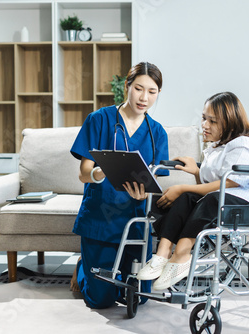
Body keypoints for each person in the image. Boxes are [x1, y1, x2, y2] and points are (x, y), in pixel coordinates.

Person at [136, 91, 249, 290]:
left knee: (202, 197)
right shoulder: (215, 148)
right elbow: (211, 183)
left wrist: (184, 186)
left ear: (230, 123)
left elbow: (232, 181)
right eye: (204, 118)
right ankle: (162, 254)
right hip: (223, 197)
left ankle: (181, 254)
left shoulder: (243, 143)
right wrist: (197, 171)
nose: (205, 125)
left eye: (213, 121)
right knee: (185, 197)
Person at [70, 62, 169, 308]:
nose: (144, 97)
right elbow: (84, 174)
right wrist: (102, 171)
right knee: (101, 299)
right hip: (101, 219)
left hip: (136, 222)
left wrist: (143, 196)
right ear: (127, 86)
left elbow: (155, 184)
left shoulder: (157, 133)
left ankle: (104, 271)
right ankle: (83, 268)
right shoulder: (99, 120)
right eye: (138, 88)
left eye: (152, 91)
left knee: (141, 297)